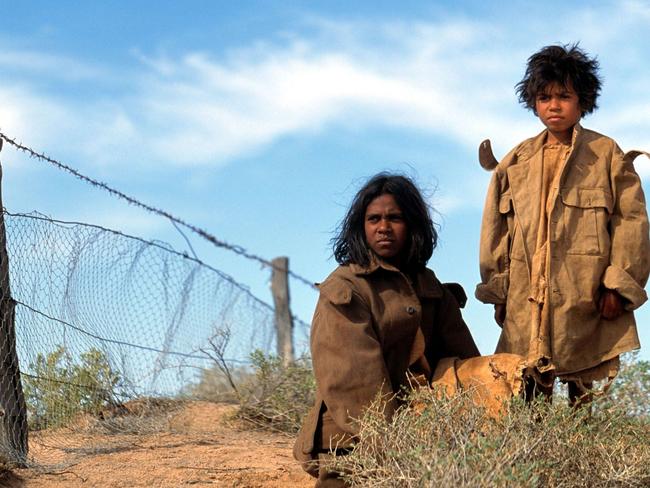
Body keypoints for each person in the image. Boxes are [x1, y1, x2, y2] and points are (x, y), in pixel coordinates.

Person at [476, 44, 650, 406]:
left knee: (583, 395)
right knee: (526, 395)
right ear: (533, 103)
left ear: (582, 100)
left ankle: (583, 460)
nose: (553, 105)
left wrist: (617, 285)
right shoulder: (517, 161)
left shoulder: (606, 155)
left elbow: (631, 222)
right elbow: (496, 232)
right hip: (527, 300)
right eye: (544, 97)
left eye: (564, 96)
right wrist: (500, 292)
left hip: (586, 298)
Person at [294, 173, 480, 487]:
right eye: (374, 219)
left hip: (422, 433)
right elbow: (354, 381)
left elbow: (465, 363)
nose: (384, 227)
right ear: (361, 226)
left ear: (413, 225)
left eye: (395, 218)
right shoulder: (346, 288)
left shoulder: (429, 285)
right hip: (352, 437)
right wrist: (394, 448)